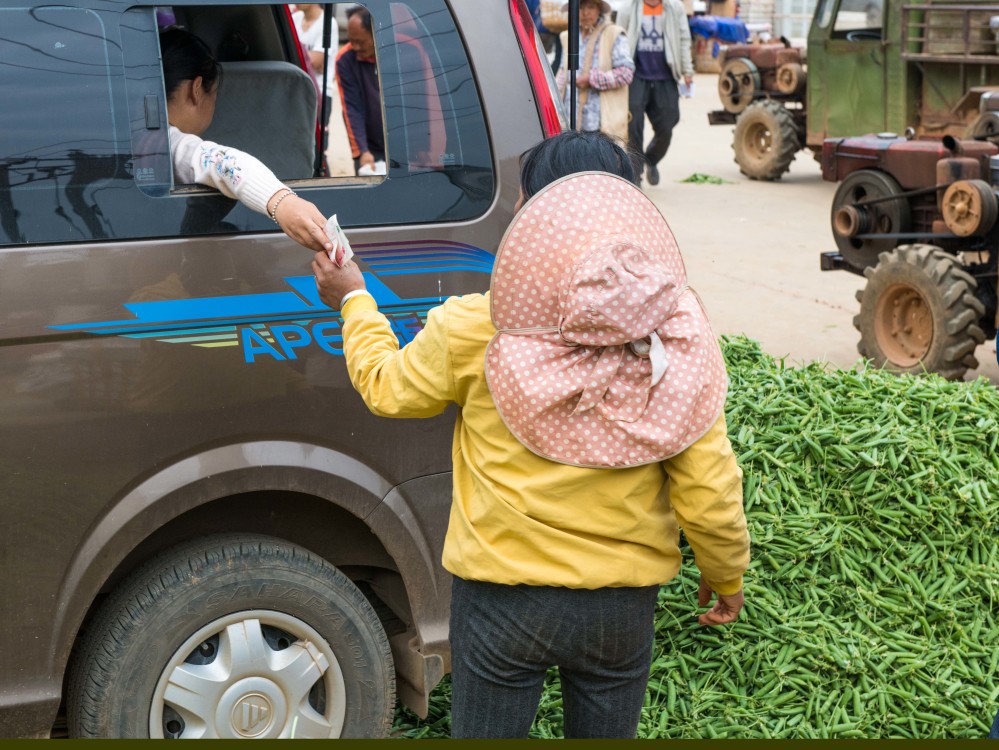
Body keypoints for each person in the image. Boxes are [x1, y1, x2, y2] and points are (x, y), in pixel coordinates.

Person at [311, 130, 750, 739]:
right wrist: (725, 574)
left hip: (500, 602)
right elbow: (709, 484)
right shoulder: (675, 340)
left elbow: (387, 387)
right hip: (618, 609)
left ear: (541, 219)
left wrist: (355, 299)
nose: (516, 212)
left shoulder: (476, 328)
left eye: (523, 201)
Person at [160, 26, 332, 253]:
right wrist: (283, 202)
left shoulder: (129, 134)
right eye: (216, 94)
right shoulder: (169, 144)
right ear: (197, 89)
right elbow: (223, 162)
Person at [617, 0, 694, 186]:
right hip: (636, 76)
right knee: (633, 126)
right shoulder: (628, 8)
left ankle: (650, 159)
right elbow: (618, 40)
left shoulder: (674, 8)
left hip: (666, 75)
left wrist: (687, 70)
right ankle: (635, 176)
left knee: (668, 123)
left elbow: (684, 39)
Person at [555, 0, 634, 144]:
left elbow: (626, 73)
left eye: (591, 7)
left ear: (599, 10)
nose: (585, 13)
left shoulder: (614, 34)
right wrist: (553, 98)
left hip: (601, 121)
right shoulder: (567, 36)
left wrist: (591, 79)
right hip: (571, 116)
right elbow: (562, 73)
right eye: (581, 7)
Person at [335, 7, 385, 174]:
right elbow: (352, 109)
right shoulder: (345, 59)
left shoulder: (400, 50)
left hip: (404, 143)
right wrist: (362, 151)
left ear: (377, 33)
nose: (355, 47)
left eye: (360, 41)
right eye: (351, 40)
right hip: (369, 147)